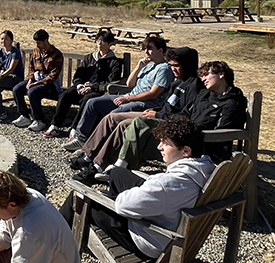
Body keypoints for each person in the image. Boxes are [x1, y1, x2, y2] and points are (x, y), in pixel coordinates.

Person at [61, 117, 216, 259]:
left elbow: (122, 206)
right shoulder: (205, 170)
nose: (159, 147)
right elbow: (164, 192)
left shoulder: (166, 184)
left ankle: (52, 234)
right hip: (169, 221)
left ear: (185, 151)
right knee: (117, 173)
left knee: (79, 196)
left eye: (166, 143)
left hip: (150, 241)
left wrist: (120, 196)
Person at [68, 47, 200, 182]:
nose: (173, 69)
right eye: (171, 65)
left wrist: (158, 115)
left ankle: (98, 166)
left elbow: (186, 115)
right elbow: (167, 104)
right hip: (158, 114)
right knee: (111, 118)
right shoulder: (177, 83)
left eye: (176, 66)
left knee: (124, 125)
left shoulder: (196, 87)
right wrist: (157, 112)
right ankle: (87, 156)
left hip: (167, 122)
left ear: (187, 64)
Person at [115, 60, 247, 172]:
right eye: (202, 76)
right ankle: (119, 168)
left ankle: (120, 171)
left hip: (198, 147)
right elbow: (185, 114)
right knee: (139, 126)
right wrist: (166, 120)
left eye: (207, 75)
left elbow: (222, 135)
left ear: (221, 75)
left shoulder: (232, 103)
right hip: (184, 135)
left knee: (140, 130)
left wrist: (188, 133)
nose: (203, 79)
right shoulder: (204, 95)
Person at [62, 36, 173, 151]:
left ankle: (96, 147)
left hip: (144, 104)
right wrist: (138, 67)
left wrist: (129, 99)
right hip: (129, 97)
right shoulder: (148, 65)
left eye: (150, 48)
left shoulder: (164, 69)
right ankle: (81, 138)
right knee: (93, 103)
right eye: (145, 48)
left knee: (114, 115)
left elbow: (153, 94)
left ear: (160, 51)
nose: (146, 51)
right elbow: (130, 84)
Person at [43, 30, 121, 137]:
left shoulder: (114, 62)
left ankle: (75, 128)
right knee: (66, 94)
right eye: (98, 40)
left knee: (88, 99)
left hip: (98, 91)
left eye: (103, 41)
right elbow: (78, 75)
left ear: (110, 43)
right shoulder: (89, 58)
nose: (99, 44)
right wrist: (79, 84)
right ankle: (55, 125)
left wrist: (92, 87)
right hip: (82, 87)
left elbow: (110, 82)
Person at [12, 29, 64, 132]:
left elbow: (53, 75)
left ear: (46, 41)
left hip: (50, 83)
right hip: (36, 78)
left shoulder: (57, 54)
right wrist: (31, 80)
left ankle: (40, 120)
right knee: (17, 89)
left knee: (33, 92)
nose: (37, 45)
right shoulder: (36, 50)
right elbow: (32, 66)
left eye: (39, 43)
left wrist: (37, 83)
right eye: (36, 43)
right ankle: (24, 115)